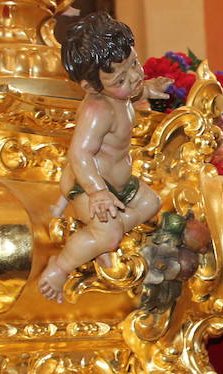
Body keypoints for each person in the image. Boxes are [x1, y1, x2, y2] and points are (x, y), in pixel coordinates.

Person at [38, 12, 171, 302]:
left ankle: (97, 241)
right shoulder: (98, 110)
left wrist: (149, 89)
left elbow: (133, 91)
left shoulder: (121, 94)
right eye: (121, 78)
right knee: (111, 235)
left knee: (152, 203)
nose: (135, 77)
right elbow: (79, 152)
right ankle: (60, 267)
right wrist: (97, 192)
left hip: (119, 185)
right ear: (91, 88)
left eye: (134, 63)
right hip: (90, 185)